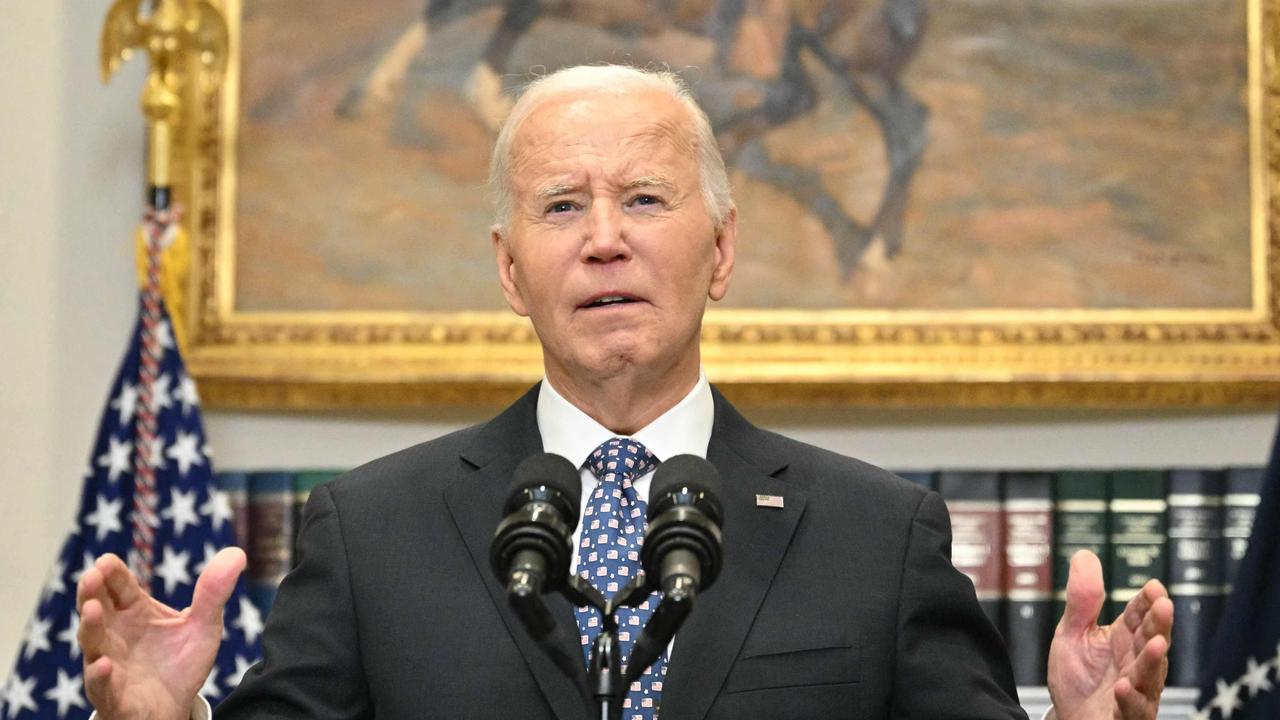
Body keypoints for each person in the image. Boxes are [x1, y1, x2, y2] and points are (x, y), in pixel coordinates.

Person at [76, 64, 1173, 720]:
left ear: (721, 251)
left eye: (645, 198)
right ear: (509, 269)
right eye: (561, 208)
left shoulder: (876, 537)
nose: (604, 240)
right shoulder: (370, 533)